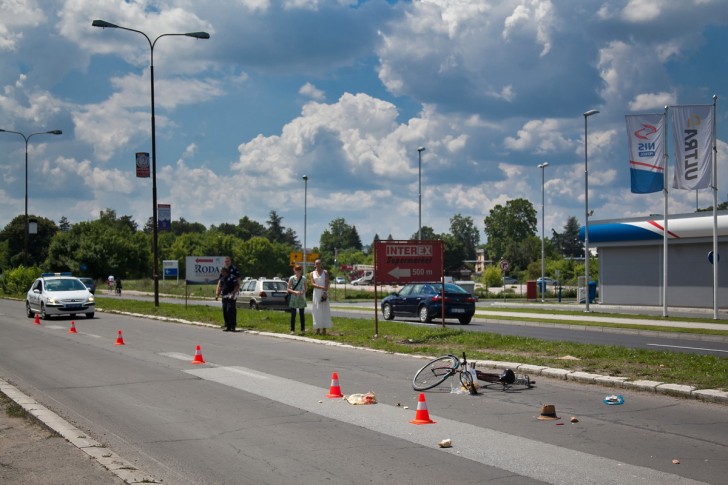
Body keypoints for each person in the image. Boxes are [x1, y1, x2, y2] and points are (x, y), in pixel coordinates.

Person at [309, 259, 332, 335]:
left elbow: (327, 282)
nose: (318, 265)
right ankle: (317, 328)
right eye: (316, 264)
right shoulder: (312, 273)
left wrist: (325, 292)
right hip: (316, 293)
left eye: (319, 263)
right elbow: (312, 284)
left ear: (321, 264)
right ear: (314, 265)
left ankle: (324, 328)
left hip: (324, 293)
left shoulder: (325, 272)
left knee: (324, 310)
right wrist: (321, 287)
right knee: (317, 310)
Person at [216, 266, 240, 332]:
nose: (221, 272)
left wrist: (233, 293)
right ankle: (228, 326)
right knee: (225, 311)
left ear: (225, 271)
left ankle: (233, 326)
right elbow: (220, 287)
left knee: (230, 310)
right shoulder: (222, 278)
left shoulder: (232, 277)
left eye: (222, 271)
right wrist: (217, 294)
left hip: (231, 296)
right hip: (224, 297)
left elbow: (237, 286)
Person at [287, 265, 307, 335]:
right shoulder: (292, 278)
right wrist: (294, 292)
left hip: (301, 298)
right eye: (297, 270)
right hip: (294, 297)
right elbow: (288, 288)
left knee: (302, 314)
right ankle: (292, 330)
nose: (298, 271)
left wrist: (303, 292)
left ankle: (303, 330)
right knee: (293, 314)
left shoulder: (303, 278)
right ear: (294, 270)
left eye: (299, 270)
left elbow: (306, 288)